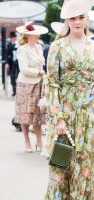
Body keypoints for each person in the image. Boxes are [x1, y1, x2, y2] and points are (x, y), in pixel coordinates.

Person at [43, 0, 94, 199]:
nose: (77, 22)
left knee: (84, 172)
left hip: (88, 117)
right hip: (64, 118)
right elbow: (52, 84)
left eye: (81, 17)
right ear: (67, 20)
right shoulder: (57, 47)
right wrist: (57, 117)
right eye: (73, 18)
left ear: (87, 18)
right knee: (59, 170)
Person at [15, 21, 48, 152]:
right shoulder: (22, 49)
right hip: (25, 85)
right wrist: (39, 72)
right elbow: (24, 69)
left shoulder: (39, 47)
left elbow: (41, 65)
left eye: (37, 34)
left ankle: (39, 141)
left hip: (39, 84)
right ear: (27, 35)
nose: (37, 36)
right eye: (34, 34)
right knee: (25, 114)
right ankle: (27, 141)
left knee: (38, 113)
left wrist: (43, 74)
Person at [5, 31, 19, 96]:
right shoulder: (9, 44)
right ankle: (14, 91)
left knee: (18, 76)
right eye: (12, 37)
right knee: (12, 77)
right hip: (12, 62)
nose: (13, 38)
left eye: (14, 37)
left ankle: (19, 90)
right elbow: (7, 54)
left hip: (18, 62)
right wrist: (7, 63)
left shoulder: (18, 43)